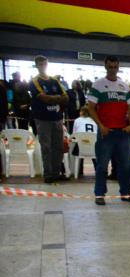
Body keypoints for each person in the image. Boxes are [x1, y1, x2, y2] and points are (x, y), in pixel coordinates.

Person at [87, 55, 130, 205]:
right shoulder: (98, 85)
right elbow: (90, 108)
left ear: (118, 67)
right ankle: (100, 194)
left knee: (126, 165)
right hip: (106, 133)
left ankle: (126, 192)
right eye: (110, 67)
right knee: (102, 165)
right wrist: (101, 126)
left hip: (122, 132)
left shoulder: (124, 86)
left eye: (115, 67)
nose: (113, 70)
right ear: (105, 66)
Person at [29, 55, 69, 183]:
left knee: (58, 147)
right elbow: (43, 98)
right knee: (46, 147)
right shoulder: (34, 81)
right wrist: (57, 98)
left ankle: (57, 172)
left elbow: (66, 97)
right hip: (42, 119)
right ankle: (48, 174)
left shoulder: (54, 80)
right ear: (36, 66)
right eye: (40, 64)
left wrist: (53, 98)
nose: (43, 66)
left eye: (45, 64)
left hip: (57, 118)